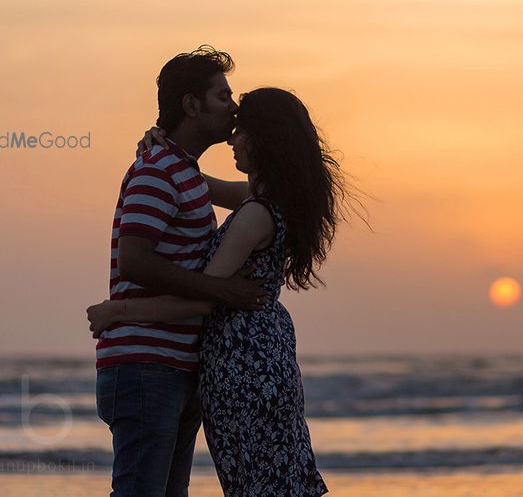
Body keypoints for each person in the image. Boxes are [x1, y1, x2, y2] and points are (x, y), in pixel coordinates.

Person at [90, 87, 349, 496]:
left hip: (243, 365)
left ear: (265, 140)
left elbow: (205, 297)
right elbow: (197, 183)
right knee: (272, 478)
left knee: (254, 482)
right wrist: (162, 148)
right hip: (263, 356)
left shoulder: (254, 215)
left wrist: (117, 312)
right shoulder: (269, 200)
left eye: (242, 131)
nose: (232, 138)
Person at [91, 45, 268, 497]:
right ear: (191, 104)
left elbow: (264, 195)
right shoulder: (157, 171)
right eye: (223, 96)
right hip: (145, 363)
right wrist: (221, 291)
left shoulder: (183, 171)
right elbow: (134, 259)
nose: (233, 107)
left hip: (176, 363)